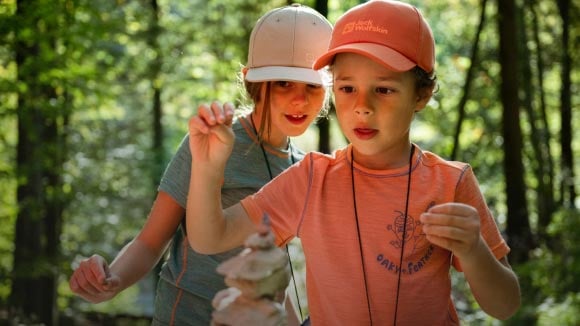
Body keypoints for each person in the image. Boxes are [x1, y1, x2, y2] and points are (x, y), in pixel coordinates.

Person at [185, 1, 521, 325]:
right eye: (347, 88)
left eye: (384, 90)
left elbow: (505, 305)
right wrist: (208, 166)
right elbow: (210, 238)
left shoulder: (451, 182)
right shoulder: (311, 180)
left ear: (421, 95)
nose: (362, 106)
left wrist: (475, 250)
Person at [68, 4, 333, 325]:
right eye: (283, 84)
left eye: (312, 87)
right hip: (189, 316)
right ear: (252, 82)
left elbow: (272, 272)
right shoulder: (210, 142)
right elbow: (150, 241)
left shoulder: (302, 167)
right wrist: (113, 281)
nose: (299, 100)